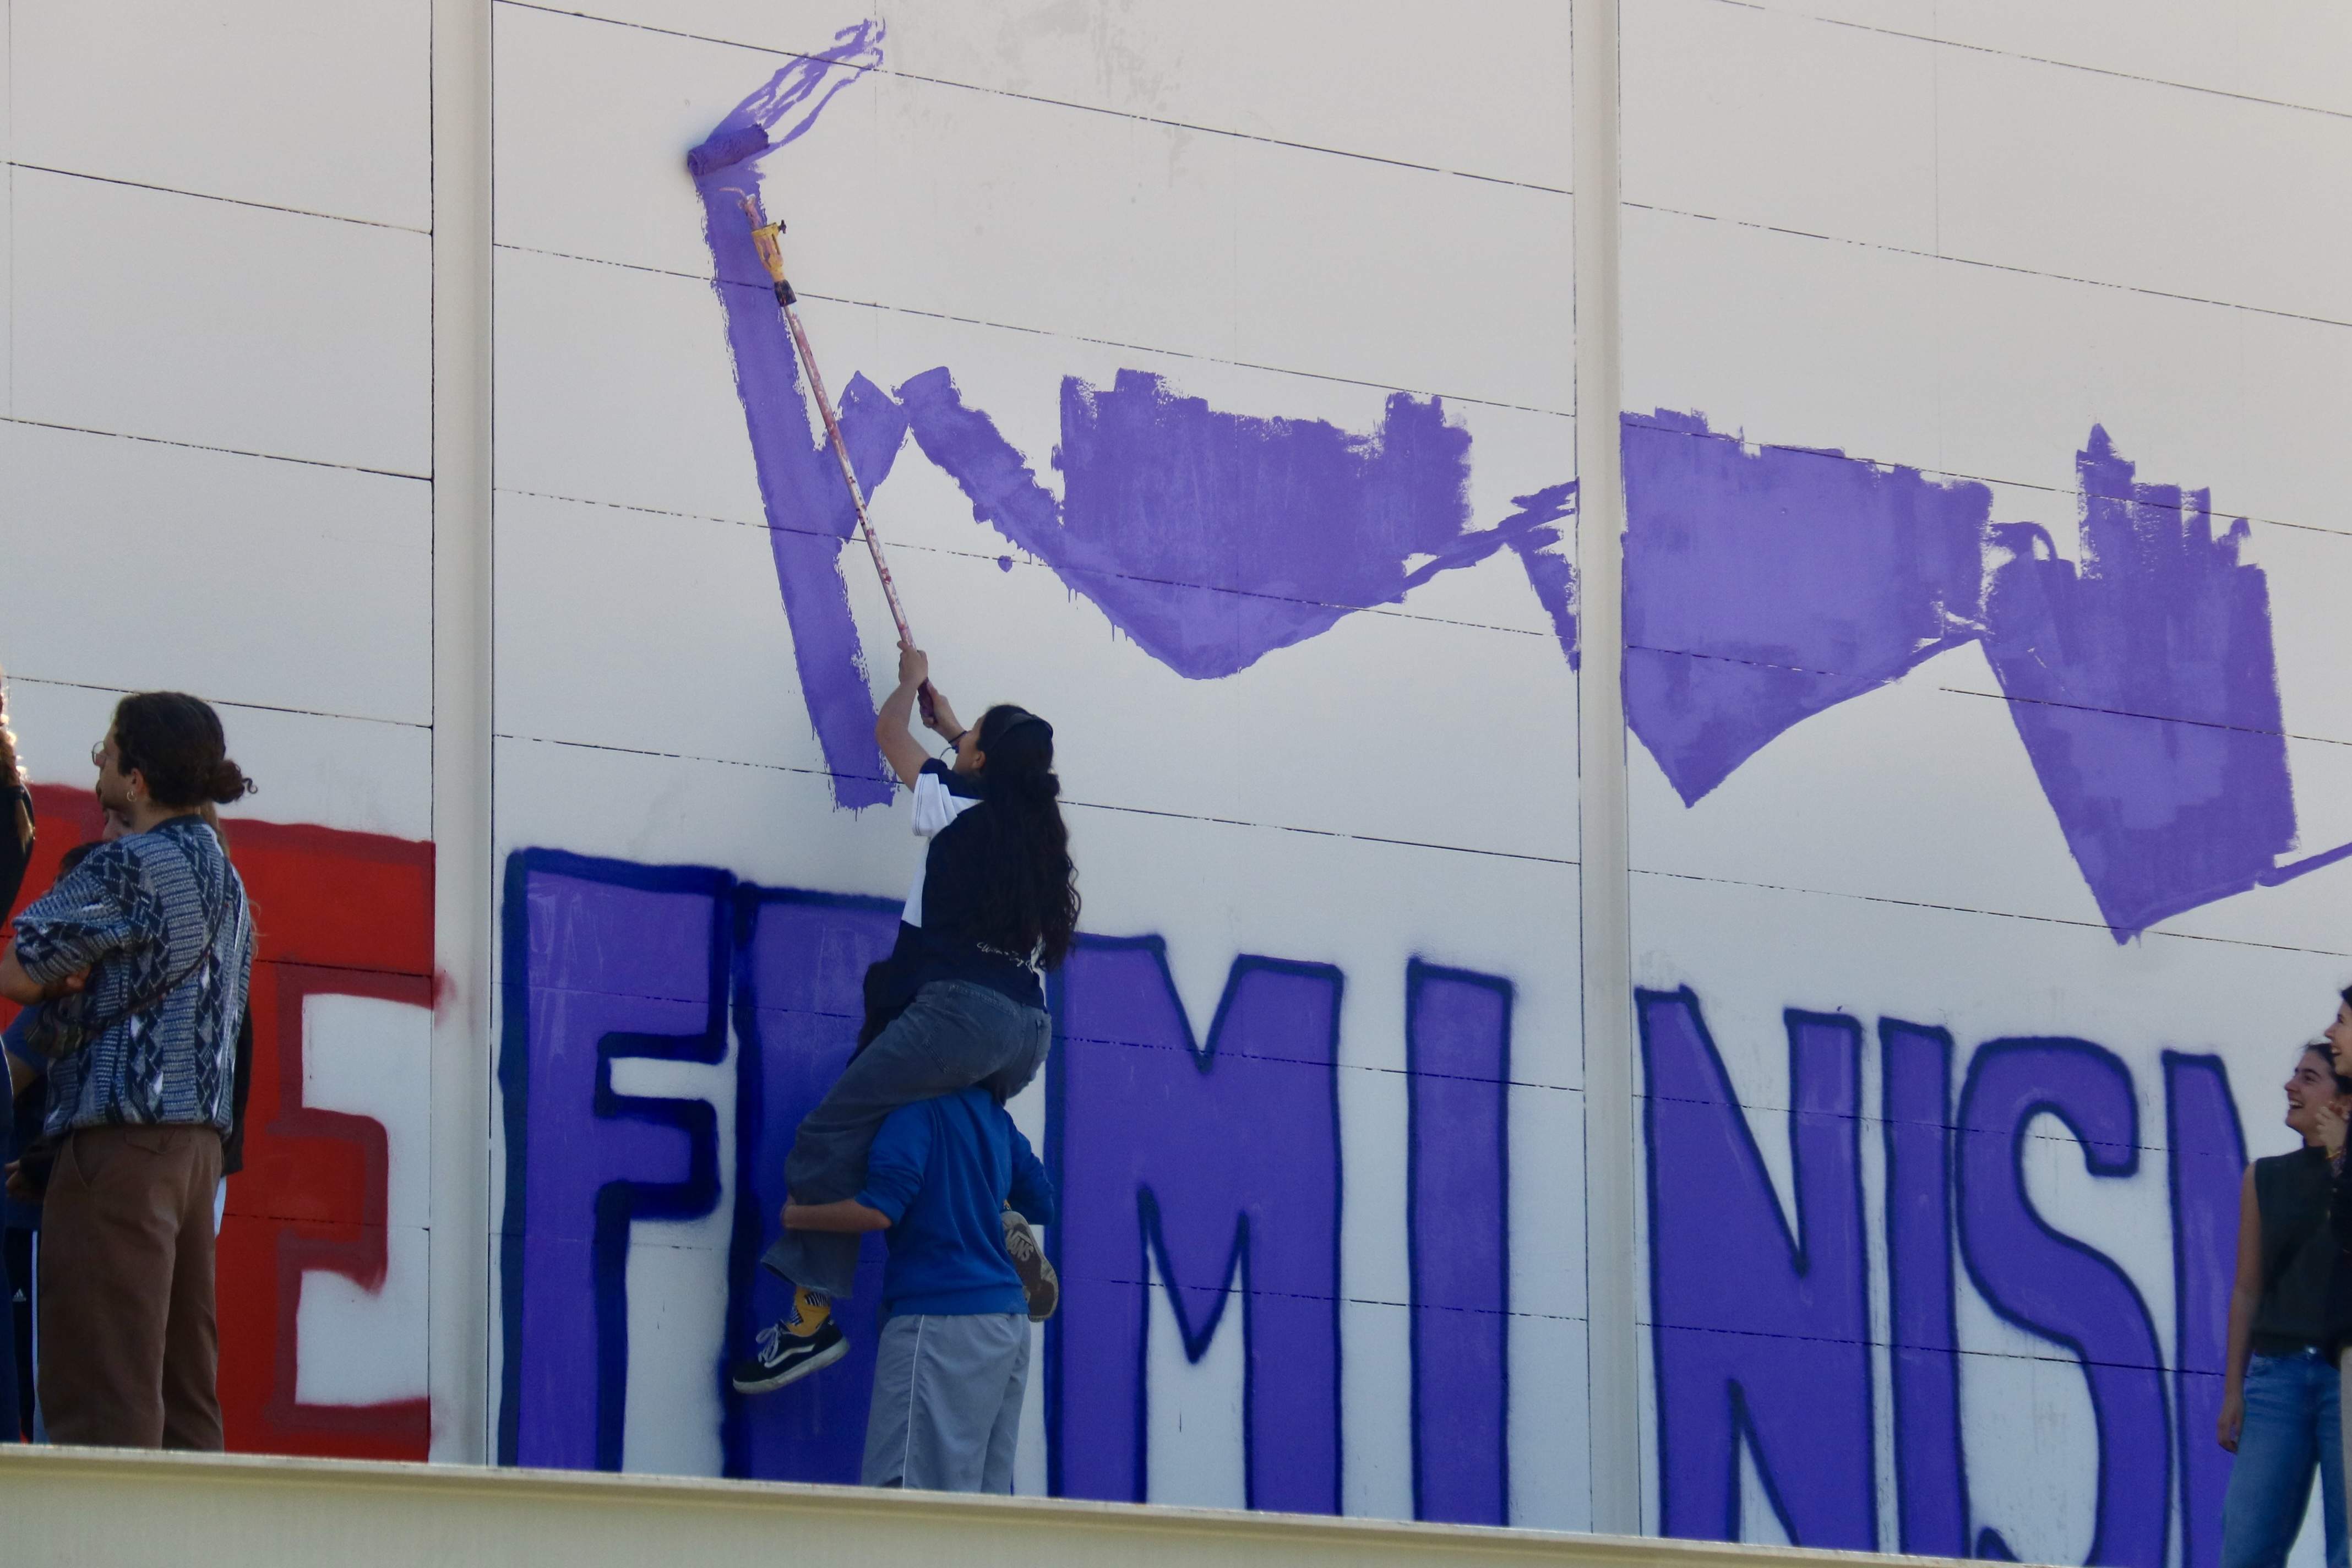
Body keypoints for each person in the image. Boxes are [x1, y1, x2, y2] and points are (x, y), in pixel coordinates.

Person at [729, 646, 1076, 1393]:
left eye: (971, 736)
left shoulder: (959, 800)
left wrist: (909, 683)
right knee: (945, 1127)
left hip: (962, 1017)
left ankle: (810, 1323)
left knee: (830, 1136)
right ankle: (996, 1213)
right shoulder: (1035, 829)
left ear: (981, 761)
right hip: (1026, 1029)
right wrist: (954, 728)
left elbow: (890, 737)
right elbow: (989, 768)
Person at [0, 692, 255, 1449]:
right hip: (198, 1151)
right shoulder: (227, 878)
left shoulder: (128, 865)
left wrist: (62, 982)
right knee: (183, 1392)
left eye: (107, 753)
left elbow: (18, 969)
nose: (99, 766)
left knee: (101, 1388)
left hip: (120, 1147)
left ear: (136, 779)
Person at [781, 1084, 1055, 1491]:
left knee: (907, 1497)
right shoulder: (994, 1116)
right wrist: (984, 1204)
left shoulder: (914, 1112)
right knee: (982, 1505)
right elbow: (1043, 1201)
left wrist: (797, 1216)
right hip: (1009, 1325)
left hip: (940, 1322)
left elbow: (880, 1209)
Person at [2218, 1042, 2352, 1568]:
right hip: (2277, 1376)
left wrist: (2342, 1160)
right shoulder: (2264, 1176)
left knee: (2348, 1546)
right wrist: (2234, 1389)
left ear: (2343, 1101)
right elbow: (2247, 1289)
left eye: (2310, 1078)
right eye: (2295, 1074)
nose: (2290, 1086)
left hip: (2345, 1377)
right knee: (2246, 1542)